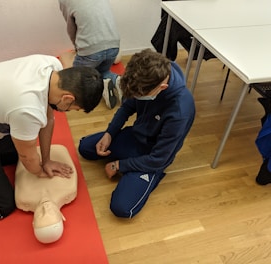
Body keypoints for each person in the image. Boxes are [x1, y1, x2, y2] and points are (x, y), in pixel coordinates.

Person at [0, 54, 103, 219]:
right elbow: (27, 156)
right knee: (1, 206)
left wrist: (46, 160)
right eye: (73, 108)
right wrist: (39, 171)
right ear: (67, 98)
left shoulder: (51, 66)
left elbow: (48, 119)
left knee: (19, 150)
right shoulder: (27, 109)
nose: (69, 112)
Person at [78, 49, 195, 218]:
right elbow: (126, 107)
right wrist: (109, 133)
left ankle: (146, 176)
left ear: (162, 88)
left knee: (122, 208)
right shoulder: (141, 78)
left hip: (152, 156)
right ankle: (127, 164)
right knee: (85, 148)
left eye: (139, 96)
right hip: (134, 137)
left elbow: (159, 159)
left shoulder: (180, 110)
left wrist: (119, 165)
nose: (135, 97)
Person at [58, 0, 122, 109]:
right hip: (114, 46)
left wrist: (77, 48)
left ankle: (101, 85)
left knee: (75, 81)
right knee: (103, 70)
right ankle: (115, 80)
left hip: (90, 50)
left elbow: (71, 28)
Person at [15, 144, 77, 243]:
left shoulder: (22, 198)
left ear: (33, 222)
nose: (46, 207)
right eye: (51, 213)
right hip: (45, 150)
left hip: (24, 151)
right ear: (62, 216)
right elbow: (65, 160)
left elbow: (20, 171)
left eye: (41, 215)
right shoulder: (68, 189)